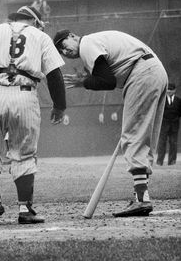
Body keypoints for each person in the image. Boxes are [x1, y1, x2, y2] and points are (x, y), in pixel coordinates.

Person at [0, 5, 66, 224]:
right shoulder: (40, 36)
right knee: (24, 153)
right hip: (25, 96)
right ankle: (24, 210)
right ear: (35, 22)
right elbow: (55, 74)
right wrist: (60, 106)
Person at [53, 29, 168, 217]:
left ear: (73, 36)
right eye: (60, 51)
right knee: (146, 137)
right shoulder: (98, 40)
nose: (65, 52)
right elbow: (109, 78)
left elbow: (107, 81)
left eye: (63, 46)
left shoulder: (87, 43)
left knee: (132, 137)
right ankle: (141, 194)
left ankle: (142, 199)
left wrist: (85, 82)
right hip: (154, 71)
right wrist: (87, 80)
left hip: (141, 74)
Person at [156, 83, 181, 166]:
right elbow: (158, 112)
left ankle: (172, 161)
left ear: (174, 90)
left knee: (173, 143)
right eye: (168, 89)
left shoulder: (178, 100)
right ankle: (160, 161)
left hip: (174, 125)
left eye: (171, 90)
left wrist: (176, 119)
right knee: (161, 143)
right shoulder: (161, 100)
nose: (169, 91)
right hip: (163, 125)